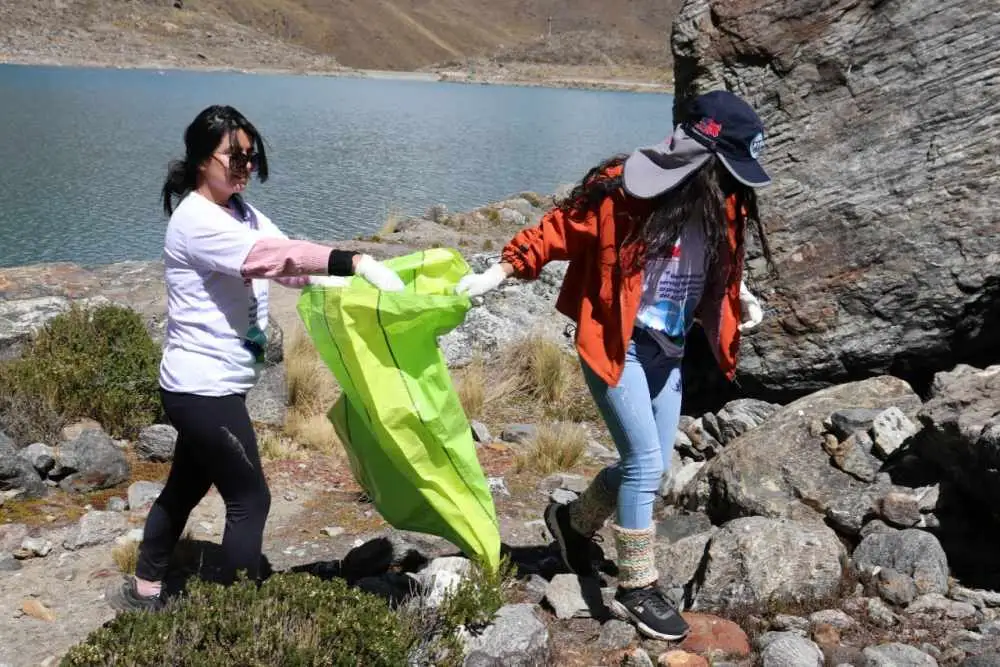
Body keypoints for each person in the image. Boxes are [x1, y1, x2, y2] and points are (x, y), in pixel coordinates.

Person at [456, 90, 773, 641]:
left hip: (669, 349)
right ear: (700, 153)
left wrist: (739, 292)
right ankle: (636, 587)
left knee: (643, 466)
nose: (732, 180)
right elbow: (558, 229)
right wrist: (498, 272)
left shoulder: (721, 199)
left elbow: (718, 253)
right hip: (616, 344)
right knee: (647, 464)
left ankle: (572, 524)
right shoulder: (622, 189)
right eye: (726, 166)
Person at [109, 105, 404, 612]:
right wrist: (354, 261)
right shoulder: (195, 220)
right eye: (233, 156)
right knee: (251, 498)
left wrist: (340, 279)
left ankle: (144, 589)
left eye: (250, 155)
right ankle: (238, 613)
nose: (244, 165)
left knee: (185, 485)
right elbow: (263, 259)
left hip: (215, 385)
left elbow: (283, 256)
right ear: (202, 159)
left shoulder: (241, 211)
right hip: (201, 390)